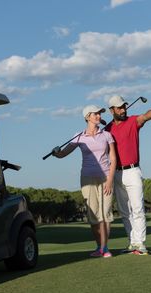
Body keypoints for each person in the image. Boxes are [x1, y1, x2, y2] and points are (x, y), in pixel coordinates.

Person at [105, 95, 151, 255]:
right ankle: (132, 242)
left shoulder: (133, 121)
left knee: (138, 208)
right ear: (111, 110)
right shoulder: (107, 130)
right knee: (124, 211)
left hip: (133, 171)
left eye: (124, 106)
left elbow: (146, 116)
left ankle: (140, 243)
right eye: (119, 107)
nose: (123, 109)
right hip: (117, 174)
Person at [52, 105, 116, 258]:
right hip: (87, 178)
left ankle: (105, 248)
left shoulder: (106, 135)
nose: (99, 116)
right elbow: (63, 154)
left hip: (106, 176)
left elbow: (113, 159)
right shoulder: (79, 136)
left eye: (99, 114)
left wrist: (110, 180)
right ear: (87, 117)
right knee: (93, 214)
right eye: (96, 114)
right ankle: (99, 246)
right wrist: (56, 153)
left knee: (105, 213)